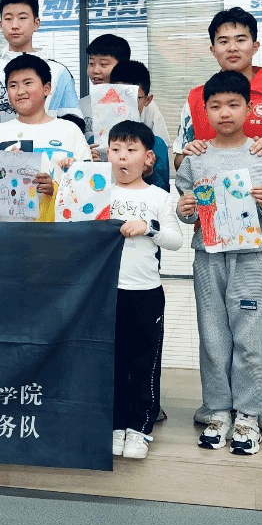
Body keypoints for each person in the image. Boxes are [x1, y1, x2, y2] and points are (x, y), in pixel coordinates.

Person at [172, 7, 262, 434]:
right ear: (212, 48)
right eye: (223, 40)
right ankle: (222, 405)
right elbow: (181, 161)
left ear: (255, 44)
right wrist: (189, 153)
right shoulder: (197, 96)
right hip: (212, 242)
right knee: (216, 329)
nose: (232, 47)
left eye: (240, 39)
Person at [175, 70, 262, 456]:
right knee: (213, 337)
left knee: (251, 338)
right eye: (216, 106)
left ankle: (248, 415)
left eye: (233, 105)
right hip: (208, 258)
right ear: (205, 111)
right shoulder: (195, 158)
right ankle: (218, 411)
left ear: (248, 109)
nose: (224, 112)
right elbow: (187, 213)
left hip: (253, 258)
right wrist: (185, 208)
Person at [104, 120, 183, 460]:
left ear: (148, 158)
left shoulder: (159, 197)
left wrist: (148, 228)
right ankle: (116, 424)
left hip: (145, 293)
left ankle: (140, 427)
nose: (122, 156)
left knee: (144, 361)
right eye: (115, 149)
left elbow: (176, 240)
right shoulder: (99, 192)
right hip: (106, 291)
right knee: (113, 360)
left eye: (131, 149)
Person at [0, 53, 92, 222]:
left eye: (28, 83)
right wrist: (6, 168)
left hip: (60, 232)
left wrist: (55, 187)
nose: (20, 91)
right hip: (9, 233)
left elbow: (88, 186)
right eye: (13, 85)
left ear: (47, 88)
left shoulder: (70, 131)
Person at [0, 0, 82, 134]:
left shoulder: (58, 71)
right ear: (0, 24)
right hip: (2, 145)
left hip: (48, 145)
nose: (14, 25)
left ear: (36, 23)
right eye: (8, 19)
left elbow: (74, 120)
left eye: (22, 18)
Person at [86, 33, 172, 145]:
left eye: (103, 64)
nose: (95, 71)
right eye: (91, 63)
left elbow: (161, 145)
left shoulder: (142, 102)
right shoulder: (83, 105)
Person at [108, 61, 171, 192]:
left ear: (147, 100)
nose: (125, 104)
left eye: (133, 98)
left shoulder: (156, 145)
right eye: (119, 97)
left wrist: (149, 174)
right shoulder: (95, 142)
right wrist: (89, 163)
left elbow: (164, 192)